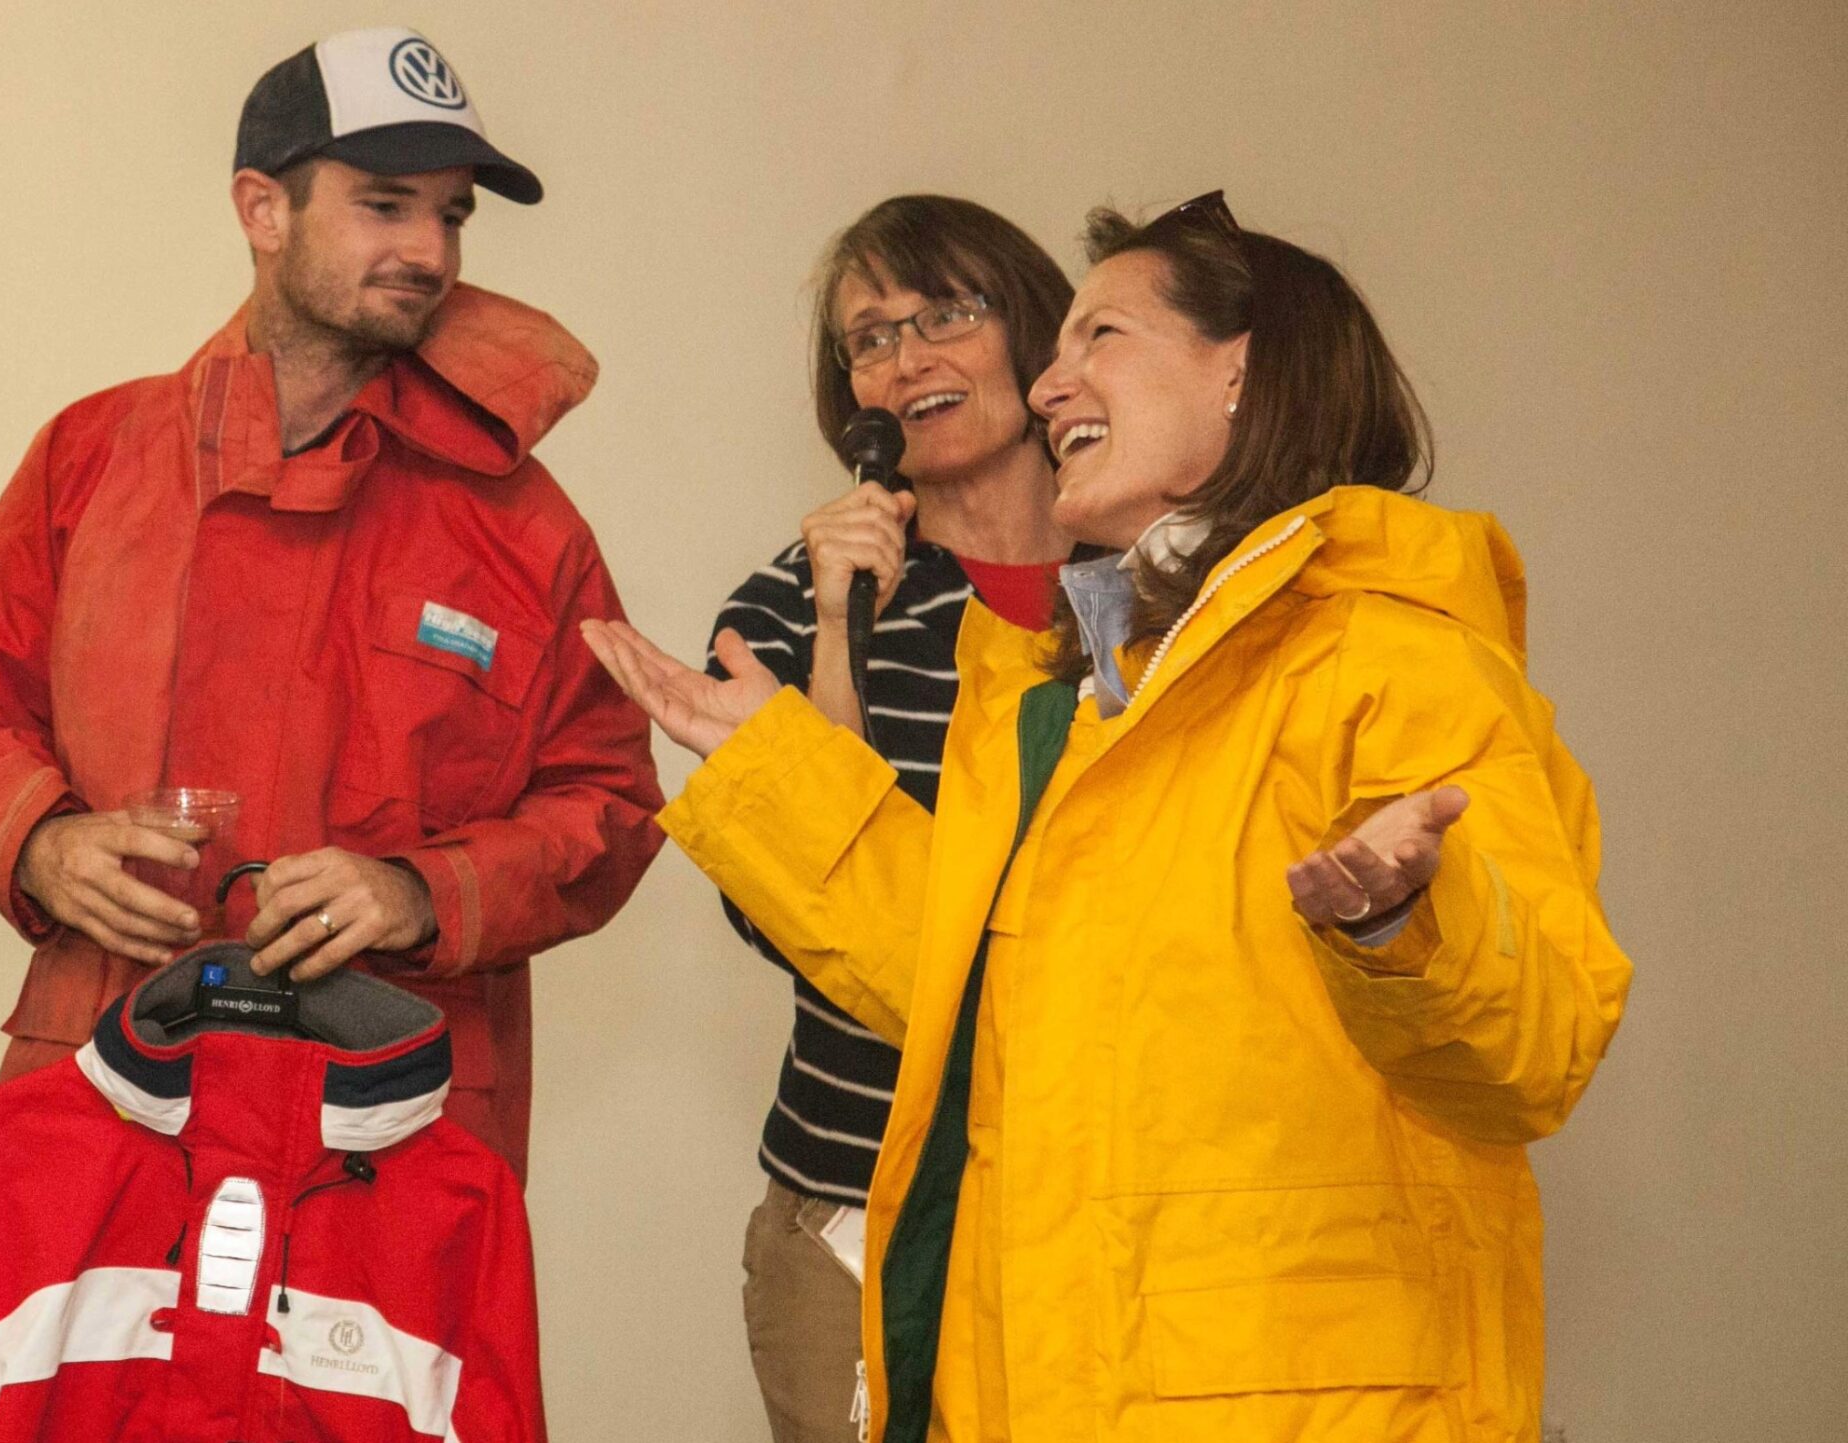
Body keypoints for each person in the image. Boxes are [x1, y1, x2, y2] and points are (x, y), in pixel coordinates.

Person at [585, 192, 1632, 1442]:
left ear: (1241, 371)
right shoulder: (1081, 687)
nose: (1045, 386)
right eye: (1057, 346)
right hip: (1058, 1368)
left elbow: (1536, 1044)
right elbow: (960, 973)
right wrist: (778, 774)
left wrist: (1405, 924)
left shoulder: (1391, 653)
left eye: (1100, 339)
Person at [0, 26, 662, 1178]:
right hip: (109, 1091)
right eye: (385, 205)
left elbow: (608, 802)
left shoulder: (523, 524)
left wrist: (424, 894)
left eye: (452, 213)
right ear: (263, 210)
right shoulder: (88, 459)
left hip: (393, 1122)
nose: (429, 248)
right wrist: (39, 842)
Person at [708, 196, 1070, 1443]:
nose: (908, 360)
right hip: (859, 1202)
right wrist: (832, 634)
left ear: (1036, 331)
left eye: (947, 316)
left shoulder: (1154, 581)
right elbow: (785, 914)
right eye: (870, 339)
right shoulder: (791, 608)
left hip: (1099, 1196)